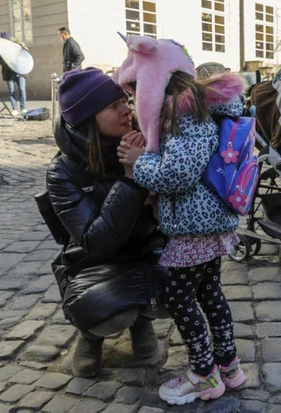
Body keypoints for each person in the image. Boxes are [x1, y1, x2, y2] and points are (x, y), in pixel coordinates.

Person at [114, 35, 246, 405]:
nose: (133, 101)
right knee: (209, 292)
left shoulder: (180, 109)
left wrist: (137, 161)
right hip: (209, 220)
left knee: (179, 297)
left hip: (194, 224)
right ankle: (229, 366)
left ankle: (203, 374)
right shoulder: (193, 106)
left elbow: (179, 173)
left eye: (134, 91)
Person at [46, 67, 166, 378]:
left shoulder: (147, 143)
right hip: (92, 265)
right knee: (108, 313)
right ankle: (91, 335)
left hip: (145, 252)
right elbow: (97, 243)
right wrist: (132, 180)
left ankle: (142, 323)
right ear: (90, 118)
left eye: (124, 100)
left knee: (184, 289)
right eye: (113, 107)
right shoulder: (63, 172)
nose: (127, 110)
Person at [0, 32, 27, 115]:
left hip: (19, 71)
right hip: (8, 72)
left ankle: (23, 108)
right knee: (11, 91)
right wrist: (5, 60)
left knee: (22, 90)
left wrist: (24, 47)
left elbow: (24, 54)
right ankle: (14, 108)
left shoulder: (16, 45)